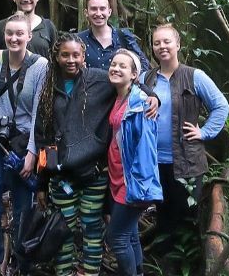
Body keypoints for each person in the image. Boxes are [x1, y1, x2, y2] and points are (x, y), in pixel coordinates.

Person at [34, 35, 160, 276]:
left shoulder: (98, 79)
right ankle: (64, 272)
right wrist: (42, 182)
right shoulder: (50, 87)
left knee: (93, 228)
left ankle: (89, 272)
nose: (71, 60)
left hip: (94, 174)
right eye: (65, 55)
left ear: (83, 57)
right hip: (62, 176)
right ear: (56, 57)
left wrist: (154, 96)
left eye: (76, 55)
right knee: (63, 227)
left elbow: (130, 83)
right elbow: (43, 137)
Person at [141, 23, 229, 268]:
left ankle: (188, 267)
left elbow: (221, 106)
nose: (162, 47)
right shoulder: (147, 78)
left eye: (167, 41)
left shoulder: (194, 76)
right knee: (163, 213)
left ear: (178, 44)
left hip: (187, 161)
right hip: (155, 161)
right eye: (157, 42)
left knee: (186, 217)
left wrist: (205, 132)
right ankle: (163, 265)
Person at [0, 14, 49, 276]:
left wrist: (31, 153)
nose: (14, 38)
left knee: (23, 208)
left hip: (22, 142)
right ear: (4, 35)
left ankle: (21, 260)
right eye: (9, 34)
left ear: (29, 36)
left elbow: (40, 111)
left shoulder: (41, 66)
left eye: (19, 34)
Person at [106, 50, 163, 276]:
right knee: (129, 234)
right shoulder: (118, 95)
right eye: (113, 64)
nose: (116, 68)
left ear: (134, 75)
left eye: (123, 66)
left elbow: (147, 148)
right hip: (117, 174)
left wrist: (139, 183)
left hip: (132, 179)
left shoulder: (140, 102)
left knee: (116, 236)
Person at [77, 0, 149, 72]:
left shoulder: (122, 36)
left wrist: (133, 78)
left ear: (109, 12)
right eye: (94, 9)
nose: (98, 13)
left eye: (102, 9)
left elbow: (143, 62)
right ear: (86, 13)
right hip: (90, 84)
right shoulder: (78, 40)